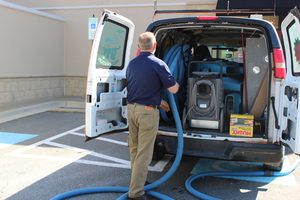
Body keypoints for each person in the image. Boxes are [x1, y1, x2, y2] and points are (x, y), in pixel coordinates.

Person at [126, 32, 179, 200]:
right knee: (144, 153)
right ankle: (136, 193)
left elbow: (141, 86)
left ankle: (137, 182)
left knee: (135, 150)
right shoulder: (159, 64)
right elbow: (174, 89)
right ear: (154, 46)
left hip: (131, 110)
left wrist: (159, 100)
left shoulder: (131, 64)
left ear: (139, 47)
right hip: (147, 113)